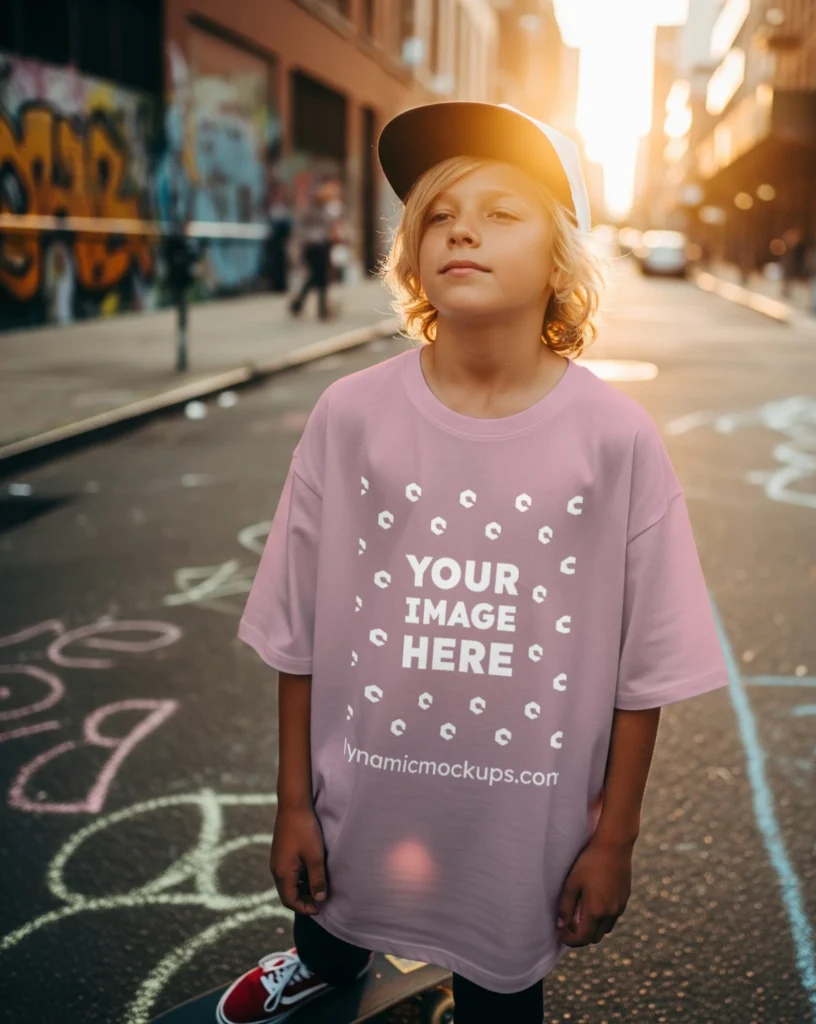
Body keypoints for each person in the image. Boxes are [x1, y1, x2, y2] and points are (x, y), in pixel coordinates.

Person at [219, 101, 729, 1024]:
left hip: (519, 829)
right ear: (413, 252)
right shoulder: (350, 416)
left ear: (561, 257)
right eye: (441, 213)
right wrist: (294, 800)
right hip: (358, 792)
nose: (463, 228)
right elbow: (298, 630)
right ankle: (323, 965)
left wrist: (615, 838)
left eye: (503, 213)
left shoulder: (615, 440)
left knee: (501, 999)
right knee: (328, 923)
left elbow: (644, 666)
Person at [289, 179, 344, 320]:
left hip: (315, 246)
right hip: (317, 246)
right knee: (319, 277)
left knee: (317, 277)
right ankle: (319, 309)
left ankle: (304, 306)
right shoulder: (323, 208)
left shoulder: (315, 208)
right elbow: (331, 226)